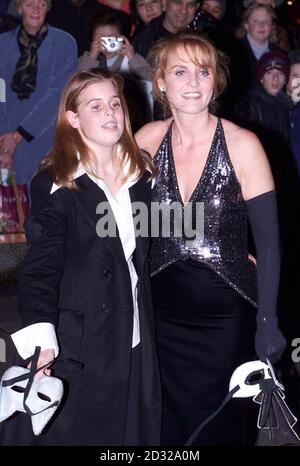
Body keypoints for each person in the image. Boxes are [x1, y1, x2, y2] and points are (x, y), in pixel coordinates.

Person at [135, 31, 286, 446]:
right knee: (165, 428)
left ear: (215, 80)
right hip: (159, 317)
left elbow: (270, 242)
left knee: (220, 428)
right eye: (180, 72)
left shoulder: (243, 145)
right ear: (161, 81)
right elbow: (119, 219)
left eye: (203, 71)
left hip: (225, 318)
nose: (193, 82)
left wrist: (268, 320)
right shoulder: (146, 140)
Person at [0, 68, 161, 446]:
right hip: (81, 345)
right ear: (73, 118)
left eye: (115, 104)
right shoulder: (56, 183)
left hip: (137, 334)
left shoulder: (142, 174)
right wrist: (42, 343)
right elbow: (40, 270)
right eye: (95, 106)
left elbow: (158, 240)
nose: (110, 114)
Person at [0, 0, 77, 187]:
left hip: (48, 140)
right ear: (19, 8)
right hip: (5, 141)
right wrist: (5, 141)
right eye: (29, 4)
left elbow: (57, 95)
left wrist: (18, 136)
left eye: (41, 4)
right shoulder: (2, 44)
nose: (35, 10)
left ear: (48, 8)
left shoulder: (65, 43)